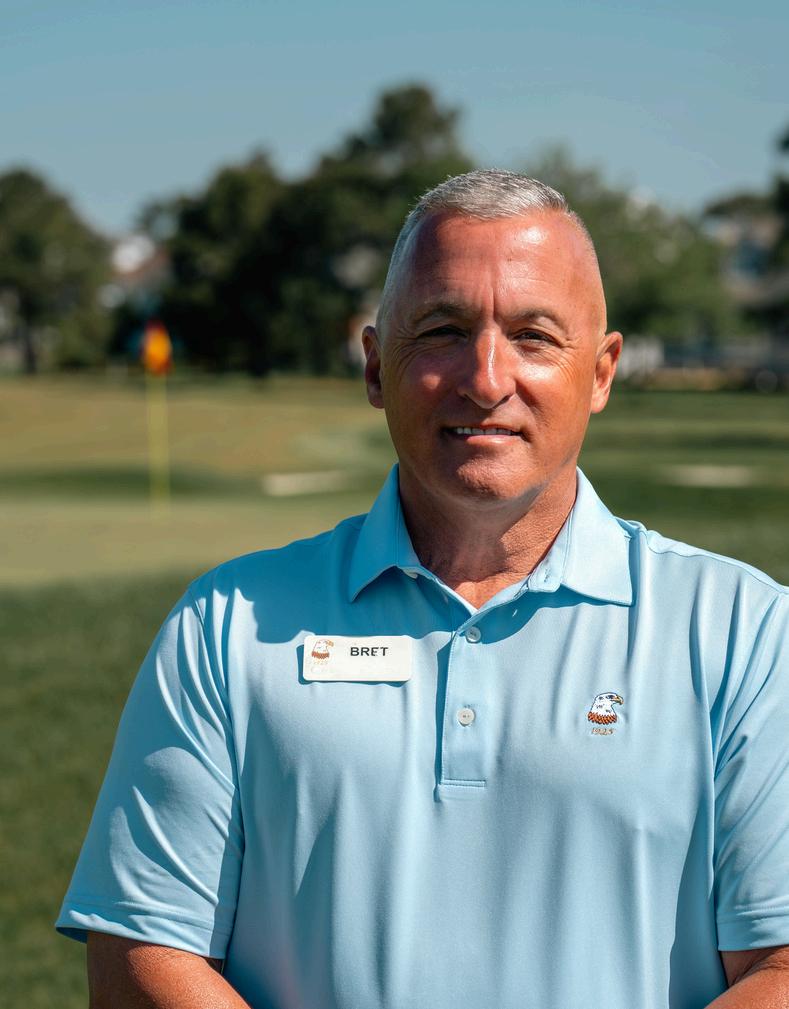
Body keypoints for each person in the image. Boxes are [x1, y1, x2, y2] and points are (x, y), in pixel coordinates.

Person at [57, 170, 789, 1009]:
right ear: (375, 367)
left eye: (533, 336)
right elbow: (141, 955)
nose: (485, 377)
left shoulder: (746, 634)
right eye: (442, 331)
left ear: (600, 371)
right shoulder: (225, 627)